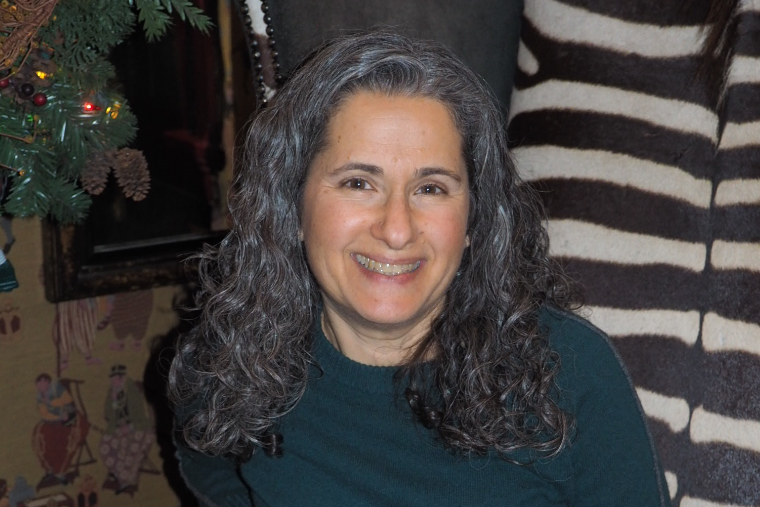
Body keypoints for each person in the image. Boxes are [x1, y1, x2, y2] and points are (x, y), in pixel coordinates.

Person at [169, 31, 671, 506]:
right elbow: (206, 461)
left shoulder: (570, 374)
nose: (396, 229)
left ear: (474, 219)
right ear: (293, 206)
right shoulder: (236, 357)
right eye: (358, 183)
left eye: (431, 188)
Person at [99, 364, 154, 494]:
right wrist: (113, 403)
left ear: (122, 378)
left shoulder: (132, 390)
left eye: (116, 379)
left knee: (127, 446)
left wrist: (130, 427)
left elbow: (140, 415)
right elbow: (107, 414)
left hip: (139, 427)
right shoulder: (112, 391)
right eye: (112, 379)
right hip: (119, 428)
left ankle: (127, 481)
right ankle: (118, 474)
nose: (113, 382)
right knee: (105, 443)